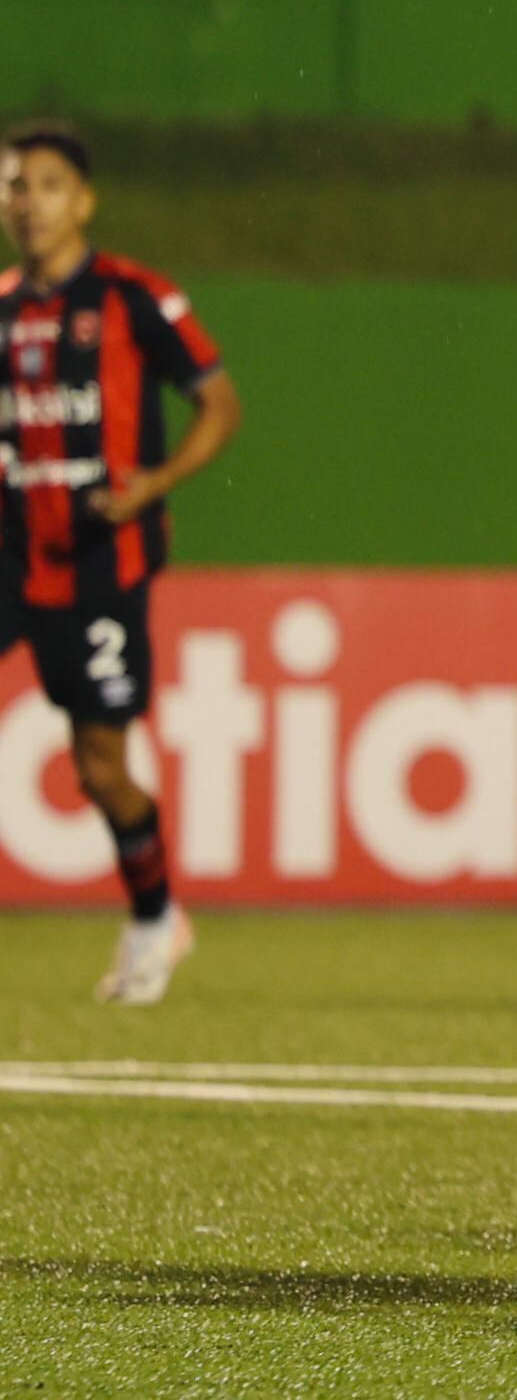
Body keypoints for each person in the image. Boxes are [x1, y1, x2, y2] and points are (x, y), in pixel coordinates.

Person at [0, 122, 241, 1005]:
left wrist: (155, 484)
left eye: (48, 185)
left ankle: (155, 918)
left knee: (99, 765)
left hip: (103, 562)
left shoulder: (136, 298)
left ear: (84, 201)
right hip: (13, 552)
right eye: (16, 186)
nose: (29, 203)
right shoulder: (1, 309)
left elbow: (220, 404)